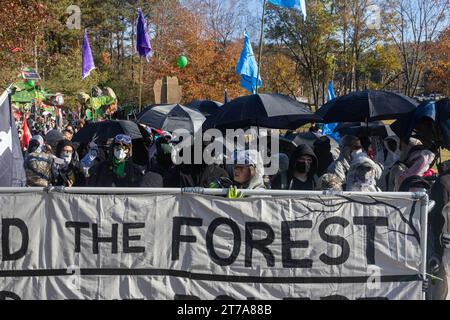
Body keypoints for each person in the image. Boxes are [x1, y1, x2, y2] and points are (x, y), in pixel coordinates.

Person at [88, 134, 162, 188]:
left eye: (125, 148)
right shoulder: (99, 169)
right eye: (118, 148)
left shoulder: (135, 171)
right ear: (112, 148)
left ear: (129, 151)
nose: (121, 151)